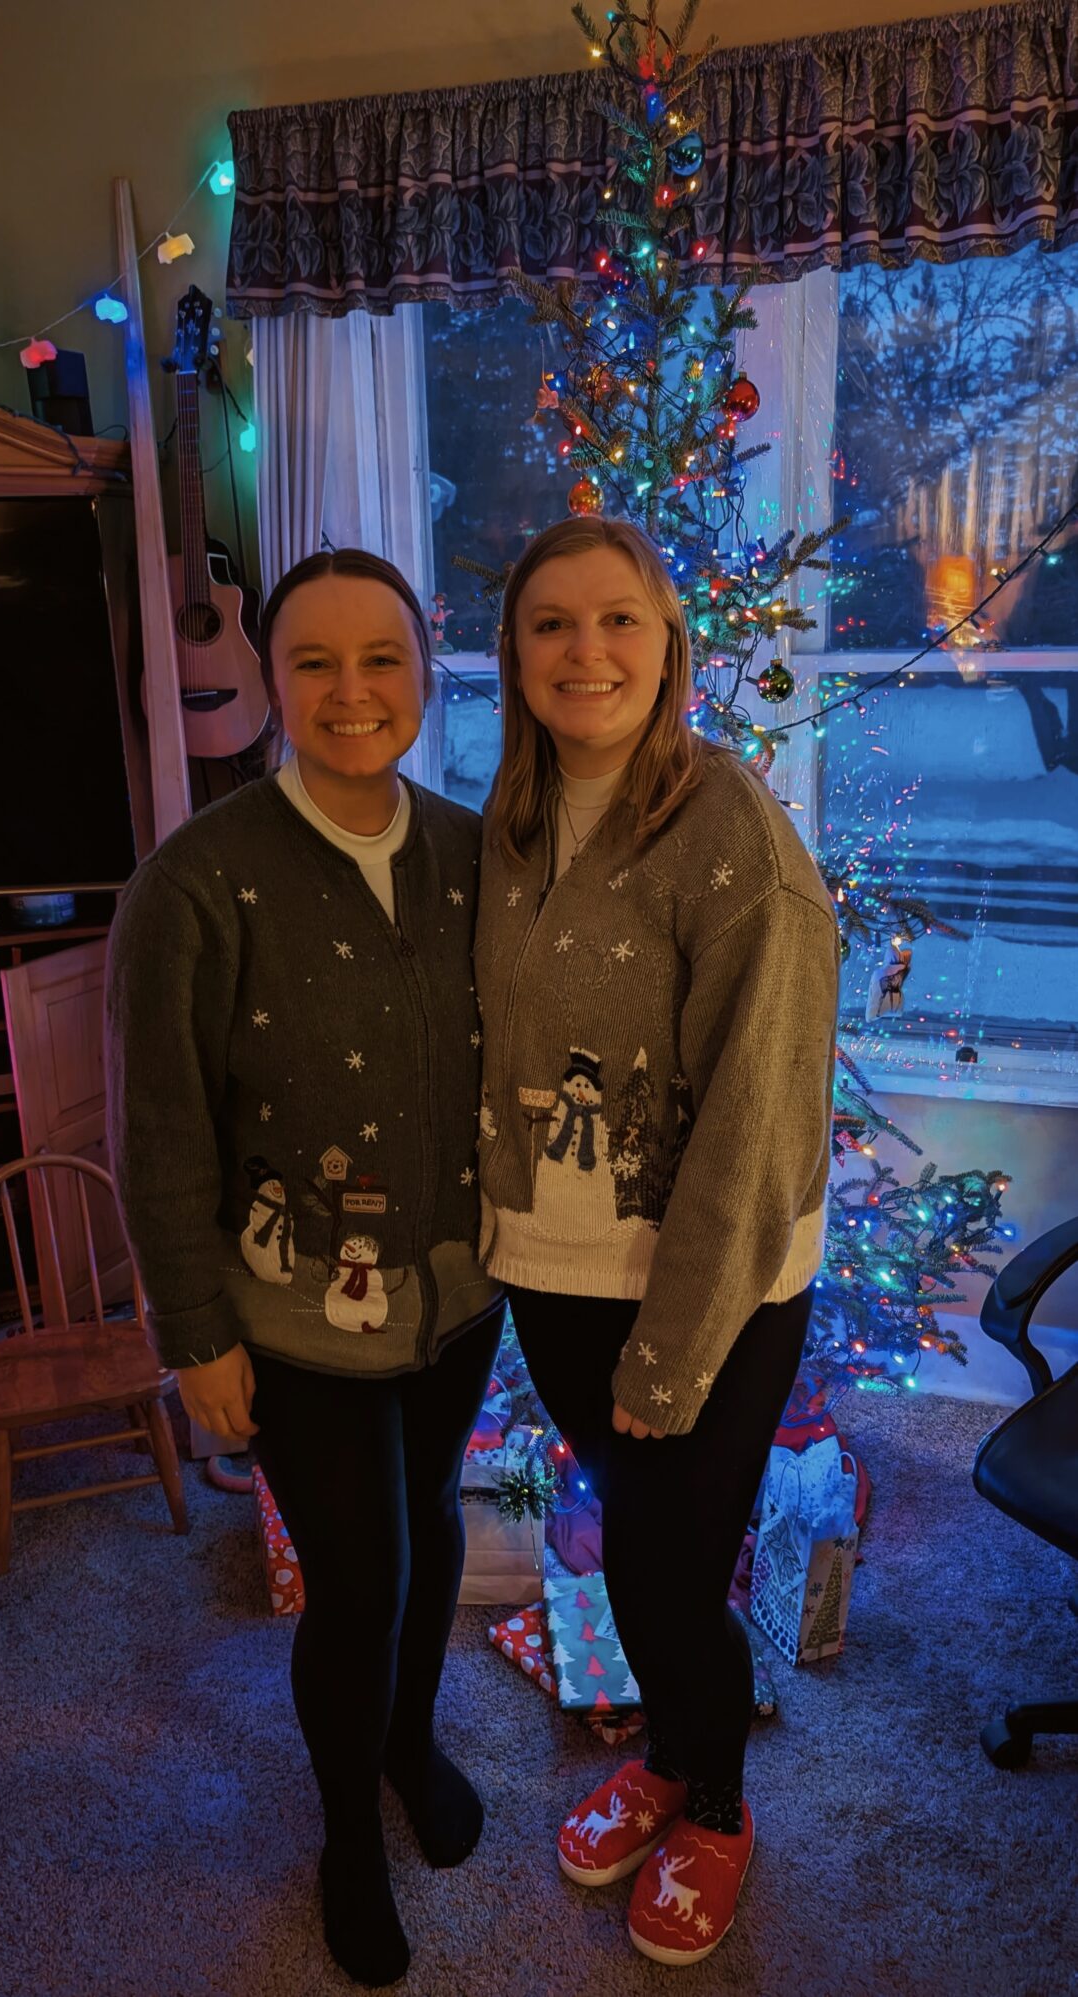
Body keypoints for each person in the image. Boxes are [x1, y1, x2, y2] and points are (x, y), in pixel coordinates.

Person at [105, 549, 505, 1990]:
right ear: (272, 680)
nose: (352, 691)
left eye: (380, 657)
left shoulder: (475, 851)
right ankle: (346, 1828)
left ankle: (410, 1744)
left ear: (425, 665)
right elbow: (157, 1122)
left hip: (458, 1294)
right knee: (358, 1572)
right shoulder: (198, 882)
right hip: (288, 1316)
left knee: (436, 1518)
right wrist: (194, 1329)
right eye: (316, 660)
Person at [474, 516, 839, 1968]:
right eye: (552, 623)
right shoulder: (502, 821)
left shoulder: (727, 826)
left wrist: (674, 1349)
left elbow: (756, 1116)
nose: (587, 651)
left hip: (715, 1287)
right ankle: (674, 1760)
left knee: (668, 1577)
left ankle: (721, 1805)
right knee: (639, 1559)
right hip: (552, 1274)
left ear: (670, 639)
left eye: (617, 619)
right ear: (512, 653)